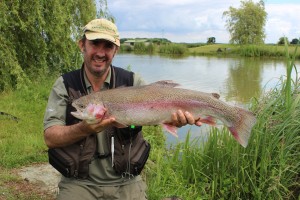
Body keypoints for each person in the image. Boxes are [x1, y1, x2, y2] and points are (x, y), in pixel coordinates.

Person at [43, 18, 201, 200]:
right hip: (79, 182)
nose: (101, 53)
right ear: (82, 45)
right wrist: (83, 129)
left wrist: (174, 120)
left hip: (126, 180)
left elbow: (161, 110)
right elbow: (50, 137)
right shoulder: (65, 84)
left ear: (116, 50)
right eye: (95, 44)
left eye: (108, 46)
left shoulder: (133, 82)